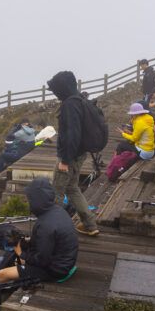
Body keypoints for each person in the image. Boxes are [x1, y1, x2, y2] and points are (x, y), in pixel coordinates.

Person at [0, 177, 79, 284]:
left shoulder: (46, 225)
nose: (28, 201)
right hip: (65, 262)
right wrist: (29, 240)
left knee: (3, 274)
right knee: (20, 256)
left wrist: (21, 253)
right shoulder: (58, 210)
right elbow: (51, 241)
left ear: (37, 200)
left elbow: (41, 261)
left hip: (56, 270)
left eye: (30, 199)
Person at [47, 70, 99, 236]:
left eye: (56, 90)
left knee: (56, 192)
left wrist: (65, 160)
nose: (55, 94)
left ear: (62, 88)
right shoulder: (81, 100)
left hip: (70, 156)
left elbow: (72, 135)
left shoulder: (70, 105)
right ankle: (90, 224)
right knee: (72, 188)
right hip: (80, 154)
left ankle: (54, 230)